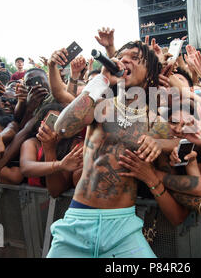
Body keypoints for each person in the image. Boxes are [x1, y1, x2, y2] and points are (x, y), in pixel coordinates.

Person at [46, 40, 168, 258]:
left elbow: (190, 142)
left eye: (135, 58)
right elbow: (62, 128)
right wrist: (100, 81)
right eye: (122, 56)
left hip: (123, 228)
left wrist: (161, 143)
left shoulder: (155, 122)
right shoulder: (100, 106)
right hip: (78, 222)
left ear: (149, 74)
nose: (125, 59)